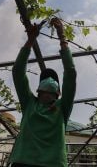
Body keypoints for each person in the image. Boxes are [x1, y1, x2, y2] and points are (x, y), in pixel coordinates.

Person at [8, 18, 77, 167]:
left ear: (58, 92)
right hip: (23, 162)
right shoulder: (29, 103)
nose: (49, 81)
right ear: (38, 90)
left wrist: (62, 37)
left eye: (53, 80)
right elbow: (18, 71)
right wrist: (30, 40)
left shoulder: (62, 108)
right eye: (46, 80)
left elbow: (70, 74)